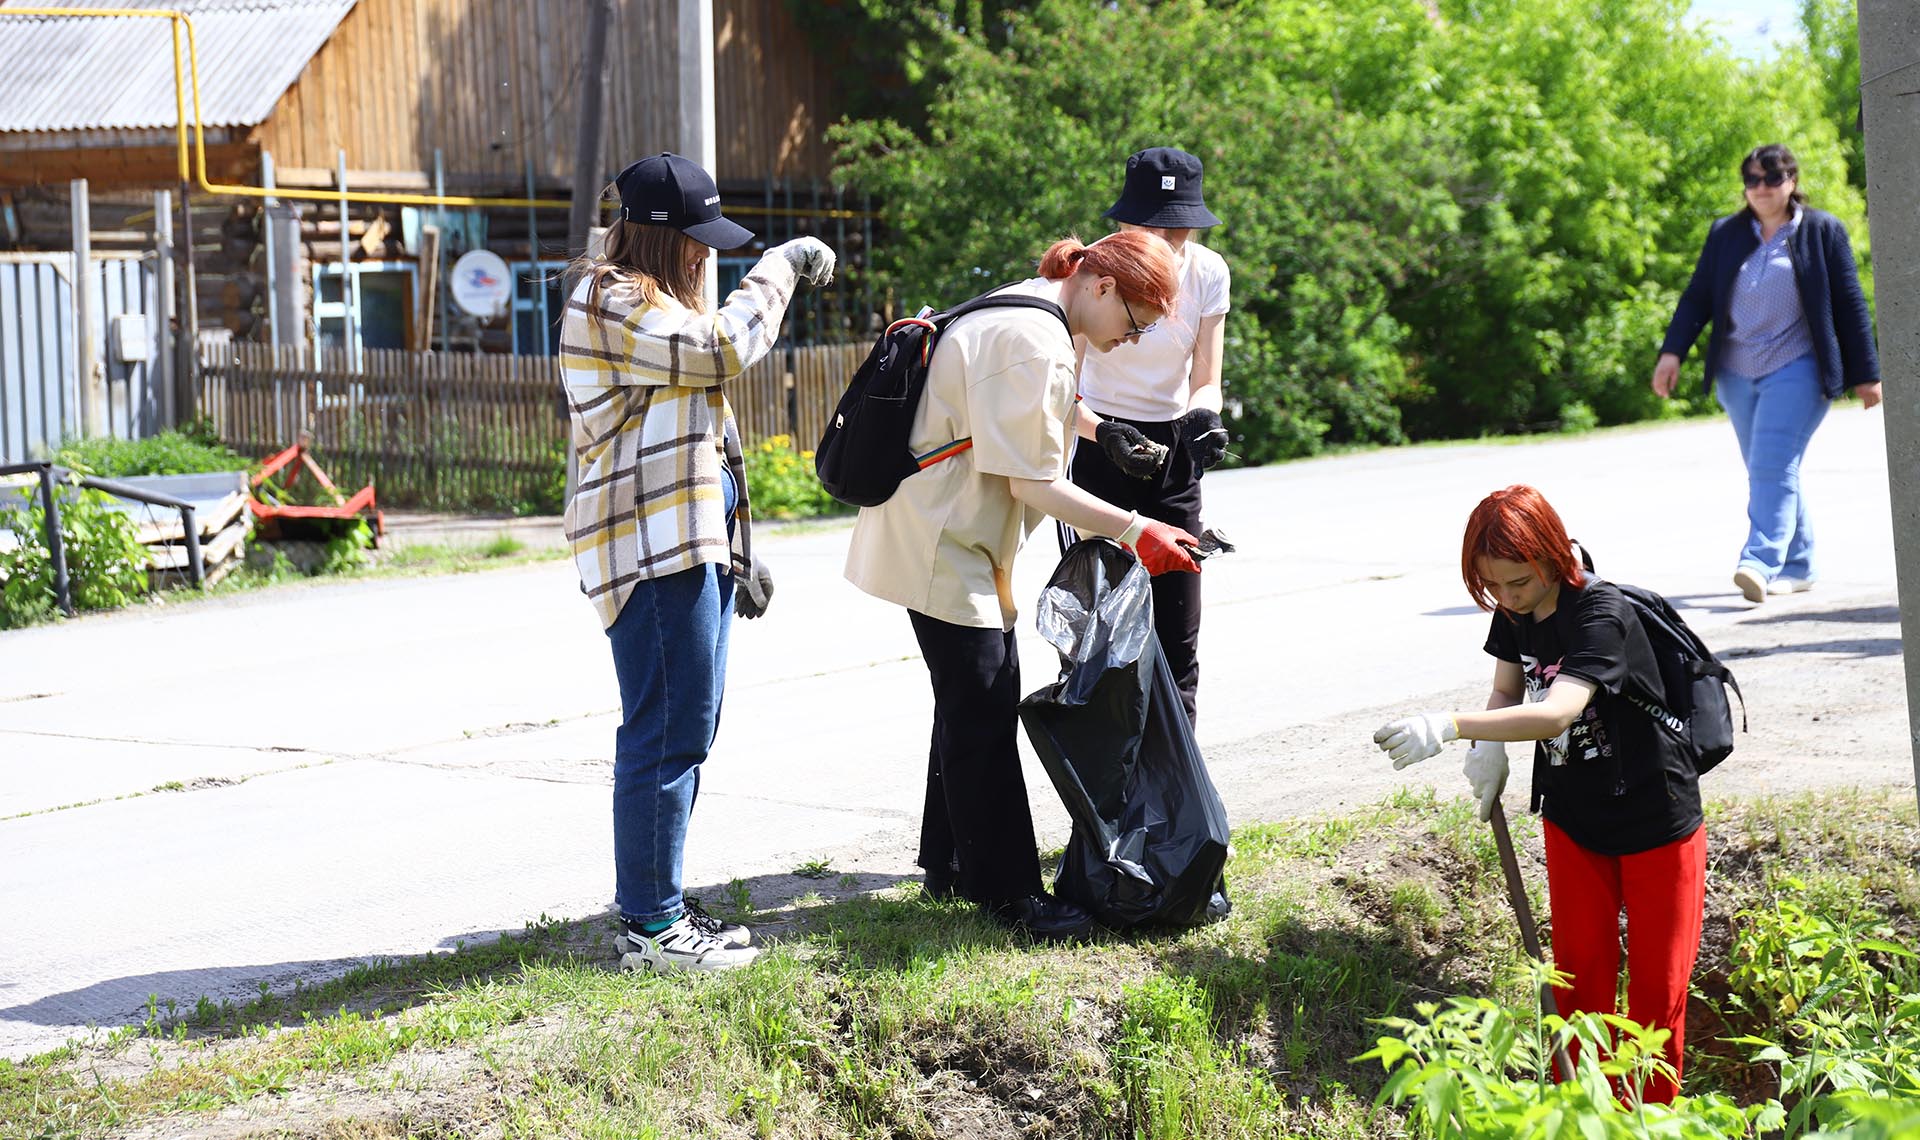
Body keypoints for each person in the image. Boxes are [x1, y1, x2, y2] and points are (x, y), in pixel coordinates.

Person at [845, 232, 1202, 940]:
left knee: (969, 697)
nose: (1132, 341)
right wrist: (1140, 531)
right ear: (1102, 286)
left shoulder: (1027, 308)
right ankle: (1008, 894)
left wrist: (1102, 432)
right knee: (982, 703)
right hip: (944, 540)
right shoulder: (1037, 339)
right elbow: (1032, 483)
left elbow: (1023, 404)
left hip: (949, 532)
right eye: (1134, 322)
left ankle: (948, 862)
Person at [560, 151, 835, 973]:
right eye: (697, 241)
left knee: (691, 723)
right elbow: (719, 351)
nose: (706, 255)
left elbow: (703, 436)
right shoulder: (609, 297)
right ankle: (651, 928)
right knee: (666, 725)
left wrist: (740, 551)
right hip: (646, 551)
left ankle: (661, 905)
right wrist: (779, 268)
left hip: (687, 543)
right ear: (660, 239)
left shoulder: (653, 302)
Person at [1371, 485, 1706, 1105]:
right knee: (1579, 986)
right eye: (1493, 586)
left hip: (1657, 816)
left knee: (1659, 996)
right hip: (1575, 818)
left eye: (1517, 582)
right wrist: (1487, 747)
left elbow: (1556, 712)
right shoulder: (1515, 608)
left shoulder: (1601, 613)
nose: (1507, 597)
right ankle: (1576, 1113)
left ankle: (1655, 1121)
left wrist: (1452, 727)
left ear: (1553, 555)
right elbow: (1506, 691)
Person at [1652, 143, 1881, 603]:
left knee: (1771, 466)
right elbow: (1697, 296)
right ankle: (1799, 565)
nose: (1761, 188)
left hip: (1798, 367)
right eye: (1752, 180)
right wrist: (1672, 352)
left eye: (1771, 179)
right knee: (1773, 471)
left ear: (1792, 181)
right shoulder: (1726, 233)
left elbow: (1850, 303)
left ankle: (1757, 562)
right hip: (1736, 372)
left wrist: (1866, 373)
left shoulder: (1821, 230)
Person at [1072, 147, 1231, 725]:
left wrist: (1204, 418)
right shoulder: (1091, 274)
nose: (1166, 241)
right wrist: (1103, 433)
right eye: (1151, 227)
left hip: (1171, 451)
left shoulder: (1209, 271)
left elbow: (1205, 379)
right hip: (1095, 442)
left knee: (1176, 633)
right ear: (1122, 224)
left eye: (1178, 227)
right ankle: (1102, 804)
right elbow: (1059, 395)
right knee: (1100, 634)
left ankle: (1174, 796)